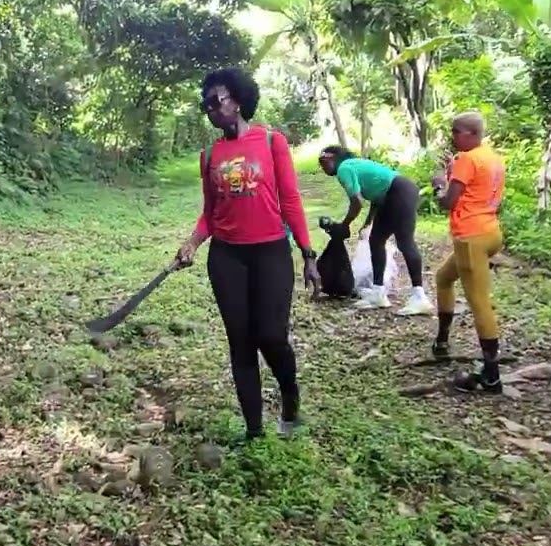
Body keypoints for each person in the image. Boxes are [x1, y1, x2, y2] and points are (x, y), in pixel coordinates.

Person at [174, 67, 320, 442]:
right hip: (226, 258)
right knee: (240, 342)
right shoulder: (209, 155)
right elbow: (211, 212)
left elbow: (289, 199)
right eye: (204, 104)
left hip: (271, 253)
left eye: (215, 101)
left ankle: (290, 398)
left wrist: (308, 253)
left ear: (237, 100)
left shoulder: (272, 142)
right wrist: (191, 243)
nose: (210, 109)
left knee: (271, 337)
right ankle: (254, 431)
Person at [429, 111, 507, 393]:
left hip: (470, 237)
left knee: (479, 302)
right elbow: (474, 186)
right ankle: (442, 342)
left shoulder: (467, 158)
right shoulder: (491, 157)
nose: (453, 136)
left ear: (472, 134)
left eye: (457, 131)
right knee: (443, 278)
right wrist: (452, 172)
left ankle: (491, 375)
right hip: (490, 232)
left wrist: (438, 185)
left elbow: (449, 202)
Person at [318, 146, 433, 315]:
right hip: (393, 194)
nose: (322, 167)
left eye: (323, 162)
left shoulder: (344, 169)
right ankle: (378, 293)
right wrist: (368, 222)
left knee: (405, 242)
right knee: (376, 240)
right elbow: (376, 194)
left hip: (399, 192)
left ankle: (419, 297)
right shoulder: (353, 165)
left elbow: (357, 202)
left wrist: (345, 224)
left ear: (332, 158)